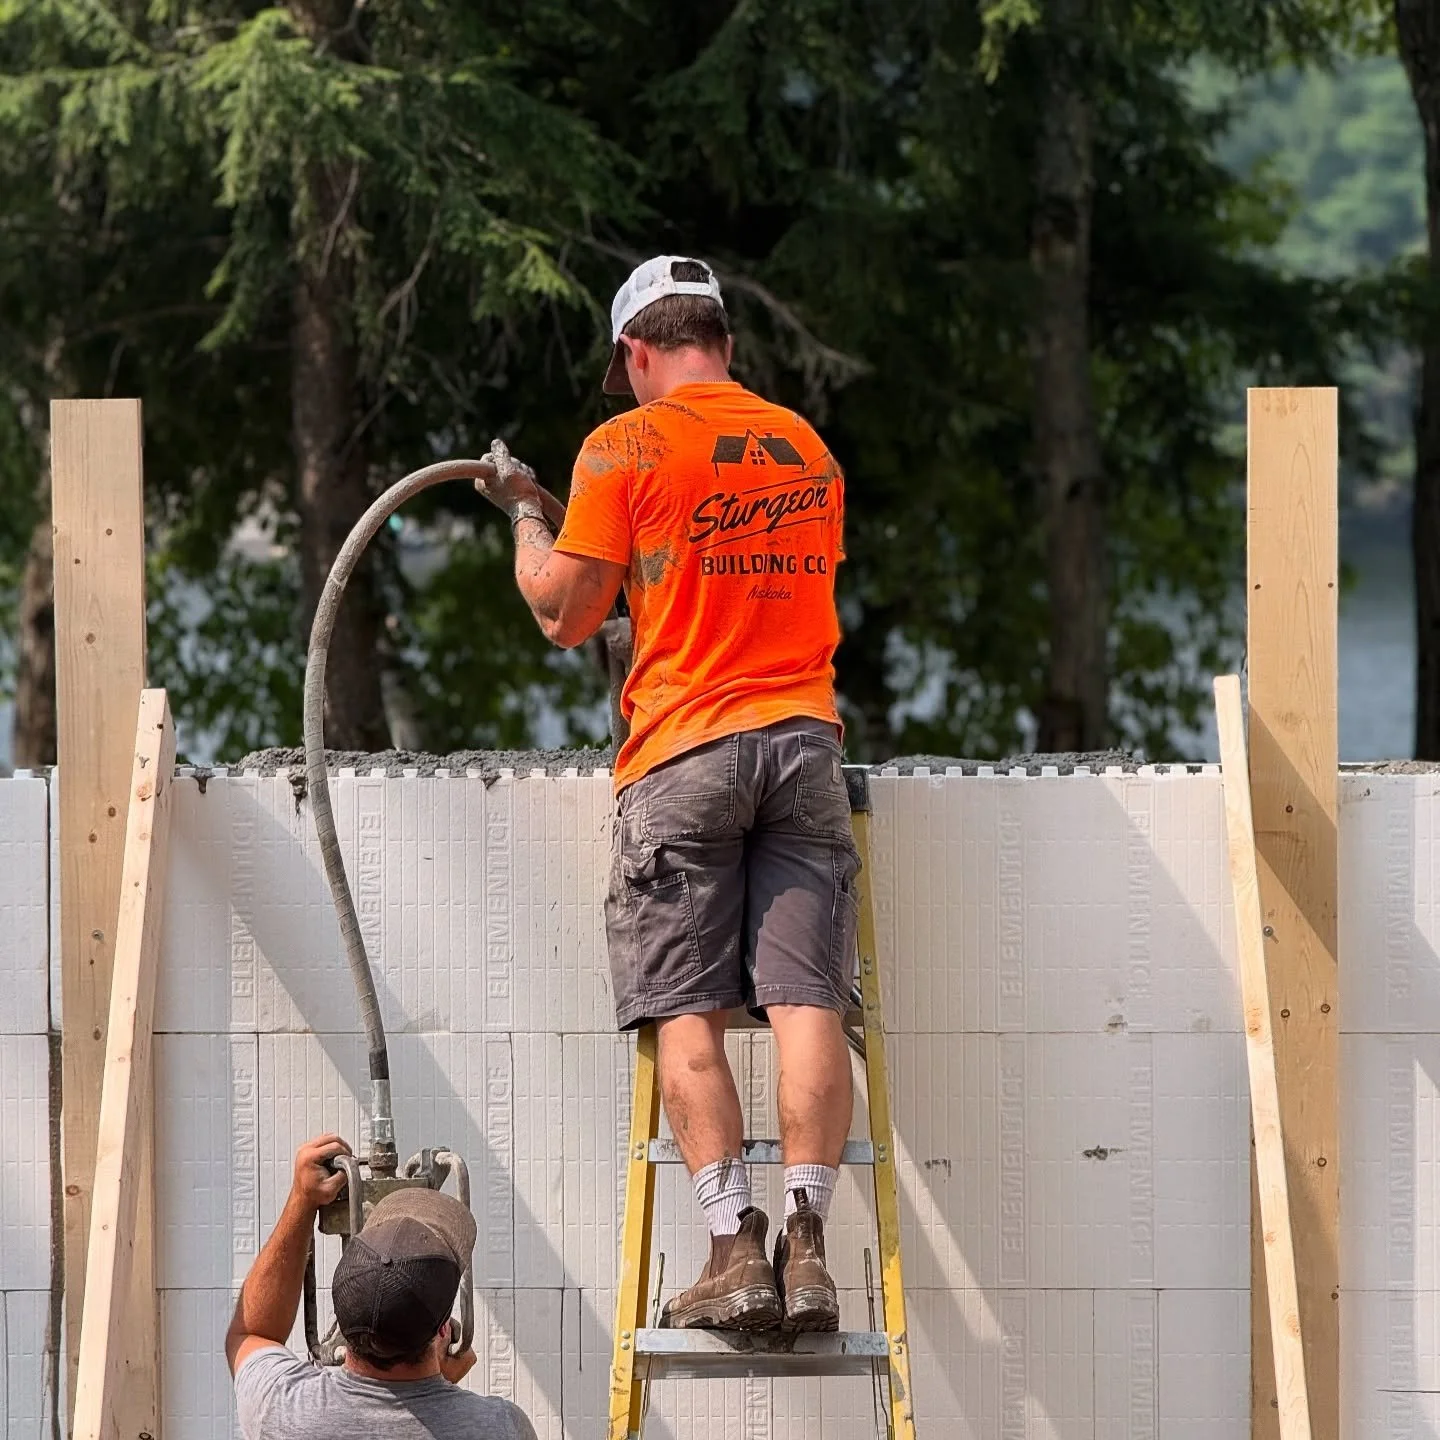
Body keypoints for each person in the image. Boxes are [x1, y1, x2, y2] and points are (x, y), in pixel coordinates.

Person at [474, 255, 858, 1333]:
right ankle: (812, 1245)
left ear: (636, 352)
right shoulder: (805, 448)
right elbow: (734, 579)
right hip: (802, 743)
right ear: (724, 344)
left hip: (686, 752)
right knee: (805, 1000)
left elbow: (564, 612)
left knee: (687, 1005)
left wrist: (524, 519)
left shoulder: (623, 444)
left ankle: (735, 1249)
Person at [227, 1134, 537, 1438]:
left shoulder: (281, 1409)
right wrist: (440, 1387)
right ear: (444, 1328)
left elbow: (253, 1333)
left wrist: (301, 1200)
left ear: (343, 1308)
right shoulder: (500, 1426)